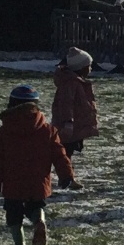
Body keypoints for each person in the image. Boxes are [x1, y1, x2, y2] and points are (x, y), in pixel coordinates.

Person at [0, 86, 79, 245]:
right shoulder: (48, 130)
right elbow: (60, 155)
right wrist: (66, 175)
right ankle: (39, 221)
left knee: (14, 215)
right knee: (35, 207)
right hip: (38, 181)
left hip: (12, 181)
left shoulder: (4, 132)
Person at [52, 47, 100, 187]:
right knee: (66, 152)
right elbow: (66, 103)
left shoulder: (76, 82)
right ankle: (67, 178)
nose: (90, 68)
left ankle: (67, 177)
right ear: (80, 68)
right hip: (70, 126)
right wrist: (68, 121)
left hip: (75, 125)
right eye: (88, 66)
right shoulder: (71, 83)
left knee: (68, 152)